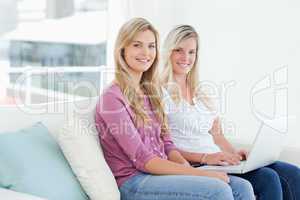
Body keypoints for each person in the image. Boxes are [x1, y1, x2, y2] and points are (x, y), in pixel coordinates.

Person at [95, 18, 255, 200]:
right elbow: (143, 159)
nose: (146, 53)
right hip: (135, 181)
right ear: (122, 49)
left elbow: (167, 143)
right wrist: (200, 175)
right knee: (218, 190)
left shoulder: (149, 91)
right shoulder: (112, 98)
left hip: (160, 173)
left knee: (242, 187)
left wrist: (184, 166)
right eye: (137, 45)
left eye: (151, 46)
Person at [160, 24, 300, 200]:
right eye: (179, 50)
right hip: (196, 165)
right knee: (268, 178)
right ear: (168, 52)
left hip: (218, 162)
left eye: (191, 52)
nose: (185, 57)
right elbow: (163, 146)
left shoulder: (201, 93)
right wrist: (206, 157)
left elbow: (217, 136)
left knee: (293, 174)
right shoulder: (160, 93)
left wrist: (234, 155)